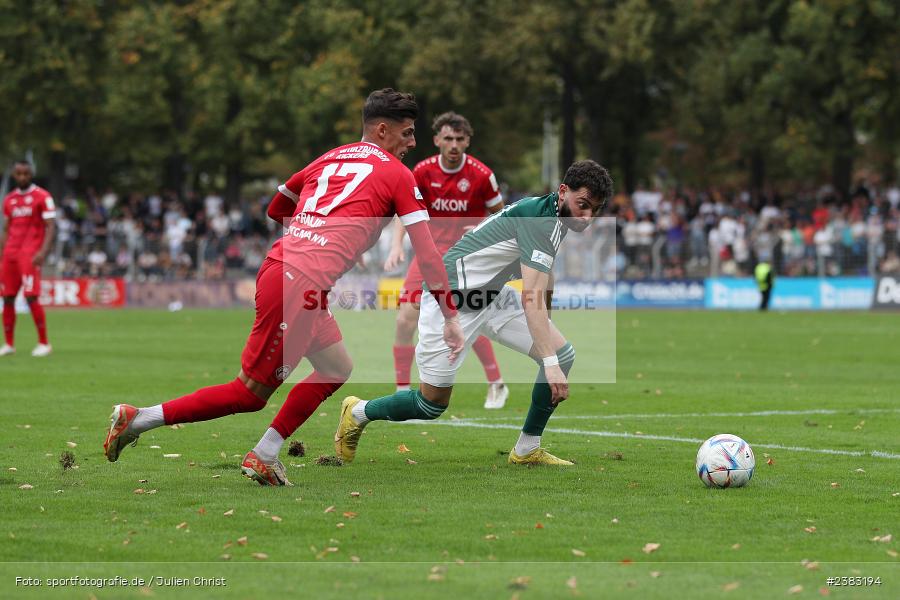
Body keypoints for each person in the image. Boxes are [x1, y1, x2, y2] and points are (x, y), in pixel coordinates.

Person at [102, 89, 464, 486]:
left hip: (290, 272)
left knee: (335, 367)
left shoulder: (330, 156)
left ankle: (265, 454)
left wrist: (321, 237)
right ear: (382, 129)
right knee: (249, 393)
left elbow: (277, 207)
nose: (413, 143)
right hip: (298, 282)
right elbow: (428, 256)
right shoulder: (398, 173)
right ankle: (139, 419)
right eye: (408, 133)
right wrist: (449, 316)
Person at [335, 160, 613, 466]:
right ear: (563, 191)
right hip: (451, 302)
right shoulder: (540, 220)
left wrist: (547, 330)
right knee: (430, 404)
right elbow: (530, 298)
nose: (586, 217)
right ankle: (357, 411)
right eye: (583, 205)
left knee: (562, 355)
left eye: (594, 210)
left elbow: (544, 279)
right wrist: (548, 362)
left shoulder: (557, 216)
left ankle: (526, 449)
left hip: (492, 297)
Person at [383, 112, 508, 409]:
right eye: (448, 138)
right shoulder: (423, 171)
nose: (453, 145)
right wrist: (396, 245)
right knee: (404, 320)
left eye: (459, 139)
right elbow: (406, 209)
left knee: (466, 322)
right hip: (428, 256)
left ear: (467, 141)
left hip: (466, 260)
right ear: (437, 139)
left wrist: (480, 231)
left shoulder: (481, 175)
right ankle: (402, 390)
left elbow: (502, 217)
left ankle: (496, 383)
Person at [0, 160, 56, 357]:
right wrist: (1, 253)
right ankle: (9, 344)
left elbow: (51, 226)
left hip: (30, 253)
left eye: (25, 174)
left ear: (31, 174)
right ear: (14, 175)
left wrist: (43, 251)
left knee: (31, 295)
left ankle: (44, 343)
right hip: (10, 254)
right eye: (18, 174)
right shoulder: (9, 200)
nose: (22, 177)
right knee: (7, 297)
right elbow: (7, 229)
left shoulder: (43, 196)